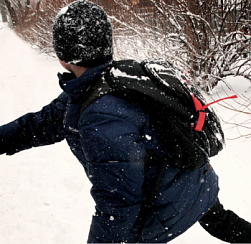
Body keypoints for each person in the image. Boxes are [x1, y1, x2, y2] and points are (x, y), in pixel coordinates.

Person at [0, 0, 251, 243]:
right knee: (223, 222)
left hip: (166, 204)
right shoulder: (113, 79)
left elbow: (119, 204)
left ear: (63, 56)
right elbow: (39, 124)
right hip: (197, 180)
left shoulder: (101, 116)